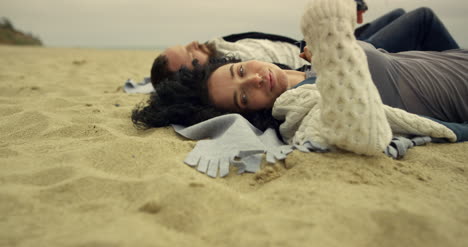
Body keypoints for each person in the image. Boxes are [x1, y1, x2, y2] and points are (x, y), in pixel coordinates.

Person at [133, 0, 468, 156]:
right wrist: (331, 34)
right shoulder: (306, 105)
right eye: (244, 97)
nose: (253, 80)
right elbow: (359, 130)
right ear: (251, 113)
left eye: (239, 71)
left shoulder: (310, 70)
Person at [149, 3, 459, 87]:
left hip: (316, 43)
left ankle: (439, 71)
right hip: (324, 57)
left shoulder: (220, 44)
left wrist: (346, 21)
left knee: (400, 15)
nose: (193, 45)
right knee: (422, 20)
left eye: (185, 45)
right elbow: (289, 74)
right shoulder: (229, 70)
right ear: (193, 76)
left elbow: (281, 42)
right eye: (189, 57)